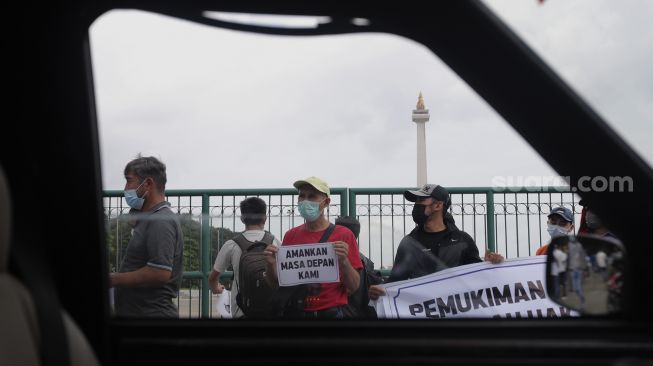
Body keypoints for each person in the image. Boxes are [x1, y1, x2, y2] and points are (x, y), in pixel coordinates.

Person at [369, 184, 504, 301]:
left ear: (438, 205)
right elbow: (396, 281)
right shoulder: (409, 243)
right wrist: (380, 290)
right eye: (416, 200)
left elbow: (477, 278)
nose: (417, 204)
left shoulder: (463, 240)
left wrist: (490, 265)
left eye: (421, 200)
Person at [264, 176, 363, 319]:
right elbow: (277, 284)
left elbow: (354, 287)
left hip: (332, 313)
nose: (305, 201)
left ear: (326, 202)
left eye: (312, 196)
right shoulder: (290, 236)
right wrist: (270, 264)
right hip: (295, 312)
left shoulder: (344, 235)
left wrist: (344, 262)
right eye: (301, 196)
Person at [110, 155, 184, 318]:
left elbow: (159, 272)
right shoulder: (152, 218)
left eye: (129, 181)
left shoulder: (160, 220)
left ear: (148, 184)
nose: (126, 188)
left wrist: (113, 279)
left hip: (151, 318)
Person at [208, 197, 281, 319]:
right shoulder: (275, 242)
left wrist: (216, 288)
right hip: (271, 310)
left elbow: (213, 277)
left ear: (242, 219)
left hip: (241, 311)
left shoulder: (231, 244)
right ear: (265, 218)